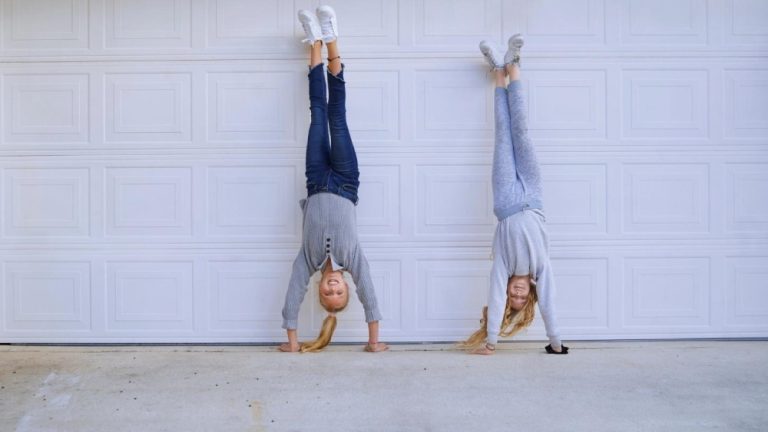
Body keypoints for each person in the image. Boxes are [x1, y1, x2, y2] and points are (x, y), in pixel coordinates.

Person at [279, 6, 388, 353]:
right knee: (336, 116)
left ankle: (313, 42)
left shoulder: (307, 261)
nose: (332, 289)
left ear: (321, 288)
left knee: (317, 113)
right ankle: (332, 38)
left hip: (315, 180)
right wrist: (374, 342)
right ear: (345, 285)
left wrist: (293, 343)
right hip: (344, 180)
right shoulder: (353, 258)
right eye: (339, 292)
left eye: (328, 293)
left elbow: (292, 298)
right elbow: (370, 295)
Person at [461, 35, 569, 355]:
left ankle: (498, 70)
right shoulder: (540, 268)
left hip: (506, 200)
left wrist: (491, 341)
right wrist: (555, 343)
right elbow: (549, 302)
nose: (518, 295)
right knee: (521, 131)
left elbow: (493, 296)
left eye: (514, 298)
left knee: (502, 133)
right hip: (533, 193)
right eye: (523, 299)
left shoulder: (504, 266)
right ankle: (514, 65)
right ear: (530, 293)